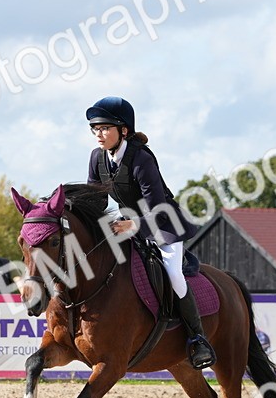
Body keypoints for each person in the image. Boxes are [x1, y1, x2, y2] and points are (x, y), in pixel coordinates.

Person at [85, 96, 214, 369]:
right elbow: (95, 200)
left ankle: (197, 338)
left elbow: (156, 206)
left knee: (174, 275)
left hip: (163, 224)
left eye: (105, 128)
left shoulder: (141, 158)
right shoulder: (97, 157)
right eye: (95, 128)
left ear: (124, 130)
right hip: (125, 219)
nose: (99, 134)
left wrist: (133, 226)